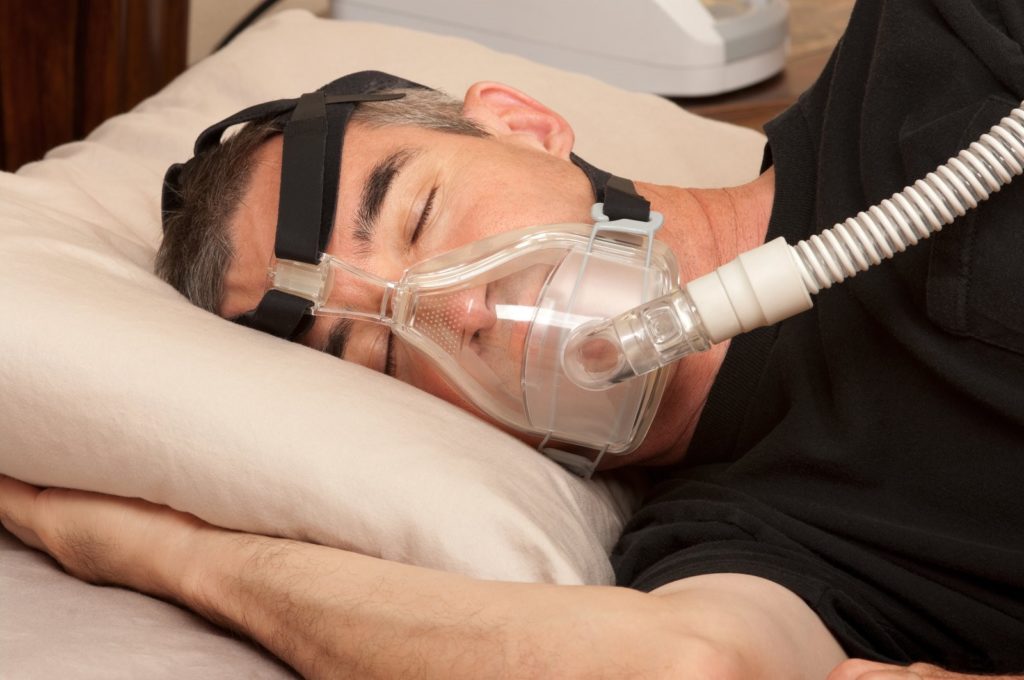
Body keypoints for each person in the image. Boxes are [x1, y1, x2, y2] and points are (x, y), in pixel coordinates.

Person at [2, 0, 1023, 677]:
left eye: (414, 215)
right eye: (374, 349)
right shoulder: (741, 546)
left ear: (523, 122)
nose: (455, 308)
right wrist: (183, 559)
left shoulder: (936, 46)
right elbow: (687, 666)